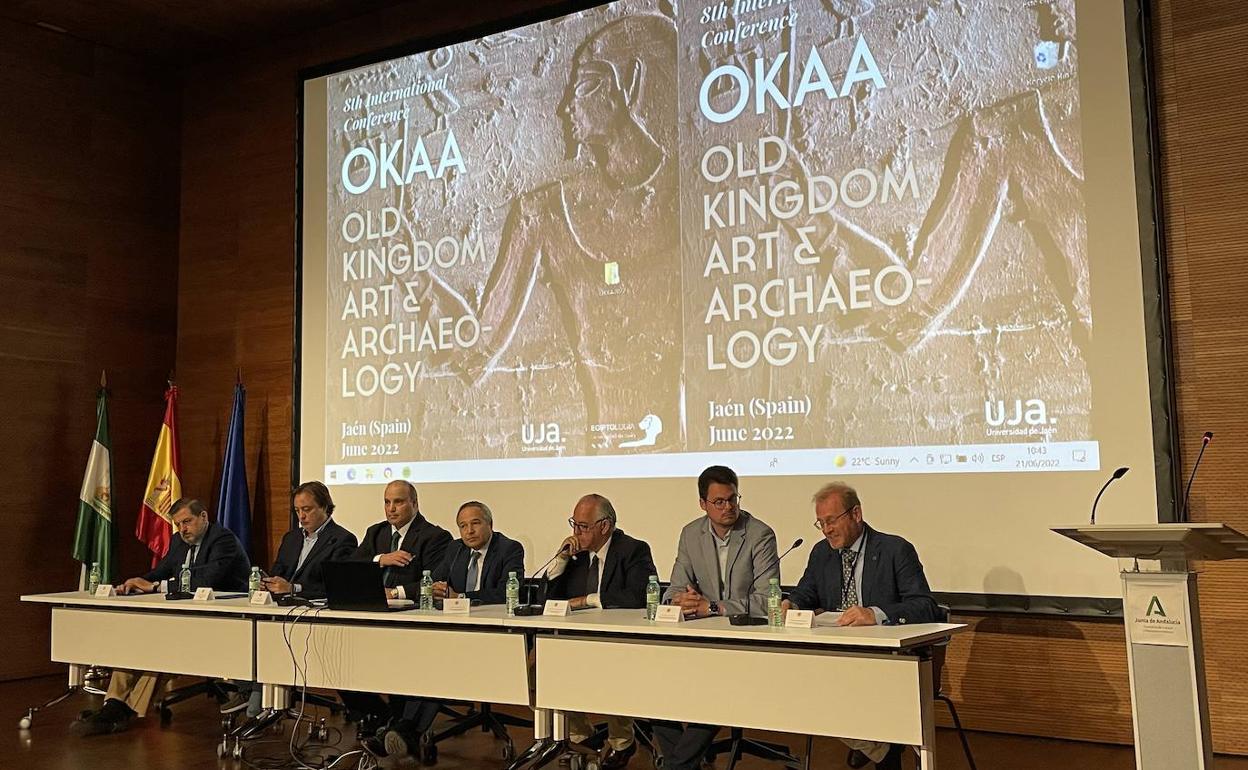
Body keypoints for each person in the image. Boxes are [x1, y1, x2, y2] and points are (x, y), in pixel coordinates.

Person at [782, 481, 940, 770]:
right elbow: (806, 592)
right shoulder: (821, 553)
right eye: (821, 523)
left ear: (856, 514)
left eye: (831, 520)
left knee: (850, 694)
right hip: (834, 654)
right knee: (800, 689)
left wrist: (875, 613)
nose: (827, 529)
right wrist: (791, 604)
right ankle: (880, 747)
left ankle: (874, 745)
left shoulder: (895, 549)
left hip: (886, 660)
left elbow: (925, 605)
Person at [70, 498, 250, 736]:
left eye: (187, 522)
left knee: (160, 648)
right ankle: (113, 704)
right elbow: (161, 571)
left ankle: (124, 711)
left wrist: (156, 587)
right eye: (178, 524)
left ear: (204, 517)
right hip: (183, 618)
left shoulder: (223, 540)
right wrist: (135, 583)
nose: (183, 529)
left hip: (223, 622)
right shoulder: (178, 541)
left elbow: (208, 578)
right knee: (138, 640)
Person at [365, 500, 525, 762]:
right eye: (463, 526)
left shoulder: (509, 549)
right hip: (456, 632)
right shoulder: (455, 549)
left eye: (475, 523)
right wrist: (434, 589)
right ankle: (404, 730)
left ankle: (406, 730)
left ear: (490, 525)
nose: (469, 531)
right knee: (427, 659)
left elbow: (509, 592)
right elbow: (434, 580)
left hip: (495, 636)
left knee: (443, 662)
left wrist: (461, 596)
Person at [652, 466, 780, 769]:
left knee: (713, 689)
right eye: (719, 502)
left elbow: (766, 601)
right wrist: (681, 601)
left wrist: (713, 607)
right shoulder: (690, 534)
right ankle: (682, 763)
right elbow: (672, 590)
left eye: (733, 499)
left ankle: (677, 765)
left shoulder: (760, 534)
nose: (729, 507)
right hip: (699, 640)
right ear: (703, 504)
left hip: (745, 643)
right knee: (652, 686)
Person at [220, 481, 359, 718]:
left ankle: (259, 692)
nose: (301, 516)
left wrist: (294, 588)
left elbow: (333, 587)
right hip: (279, 608)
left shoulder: (343, 539)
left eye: (307, 509)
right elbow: (279, 570)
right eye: (297, 511)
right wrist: (269, 581)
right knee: (241, 626)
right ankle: (251, 687)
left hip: (313, 615)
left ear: (325, 507)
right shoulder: (291, 538)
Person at [545, 493, 656, 769]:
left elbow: (639, 595)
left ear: (604, 526)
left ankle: (623, 743)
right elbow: (548, 600)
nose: (575, 532)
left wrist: (587, 600)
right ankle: (582, 736)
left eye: (582, 526)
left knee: (613, 670)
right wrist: (560, 560)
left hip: (619, 641)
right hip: (577, 640)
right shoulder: (576, 556)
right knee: (552, 665)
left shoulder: (634, 549)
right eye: (574, 524)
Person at [342, 480, 452, 737]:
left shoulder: (434, 536)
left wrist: (394, 592)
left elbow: (433, 582)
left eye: (399, 502)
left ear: (415, 503)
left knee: (401, 665)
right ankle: (380, 715)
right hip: (371, 615)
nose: (391, 509)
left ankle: (401, 727)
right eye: (387, 502)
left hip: (409, 617)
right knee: (341, 660)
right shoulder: (376, 533)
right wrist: (380, 559)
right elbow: (350, 566)